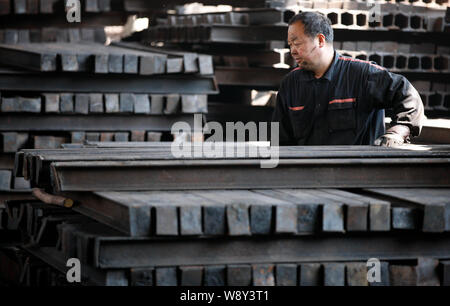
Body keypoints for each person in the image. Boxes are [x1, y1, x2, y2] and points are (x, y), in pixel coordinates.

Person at [272, 11, 425, 146]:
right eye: (290, 45)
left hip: (358, 174)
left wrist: (398, 131)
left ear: (320, 40)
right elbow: (280, 140)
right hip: (308, 174)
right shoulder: (290, 85)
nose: (292, 51)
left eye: (297, 43)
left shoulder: (363, 75)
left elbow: (408, 96)